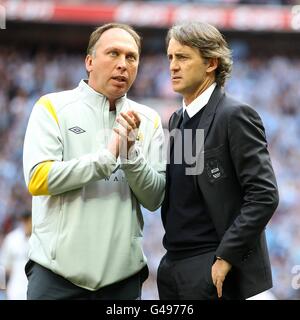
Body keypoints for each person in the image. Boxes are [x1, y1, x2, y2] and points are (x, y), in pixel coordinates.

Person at [22, 23, 165, 300]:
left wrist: (130, 155)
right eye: (113, 53)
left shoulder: (149, 119)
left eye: (131, 57)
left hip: (122, 281)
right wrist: (106, 158)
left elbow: (155, 197)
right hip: (56, 277)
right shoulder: (52, 107)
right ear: (89, 61)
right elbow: (38, 179)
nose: (123, 64)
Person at [157, 22, 279, 300]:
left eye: (183, 57)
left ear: (211, 63)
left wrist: (225, 256)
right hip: (172, 266)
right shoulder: (177, 119)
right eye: (171, 57)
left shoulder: (234, 115)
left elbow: (264, 195)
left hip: (210, 264)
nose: (173, 66)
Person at [0, 211, 32, 300]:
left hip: (34, 289)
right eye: (25, 221)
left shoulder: (39, 239)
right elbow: (4, 266)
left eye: (29, 220)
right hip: (15, 290)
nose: (27, 224)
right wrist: (2, 288)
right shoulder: (12, 238)